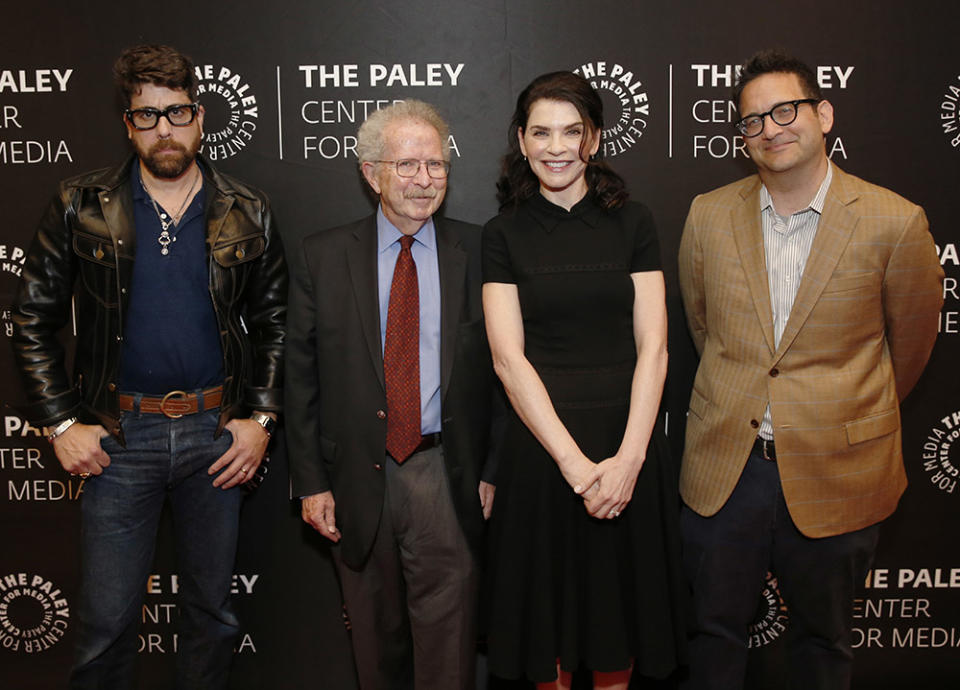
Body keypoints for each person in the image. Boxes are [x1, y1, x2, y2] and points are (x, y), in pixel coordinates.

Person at [10, 44, 287, 689]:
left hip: (216, 436)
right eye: (147, 116)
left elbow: (278, 325)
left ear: (200, 117)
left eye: (178, 112)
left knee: (212, 617)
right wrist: (59, 425)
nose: (165, 129)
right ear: (127, 124)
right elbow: (32, 319)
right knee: (106, 626)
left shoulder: (249, 208)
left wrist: (260, 421)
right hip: (118, 437)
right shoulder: (81, 201)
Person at [677, 49, 944, 690]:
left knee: (823, 644)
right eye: (751, 120)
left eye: (786, 110)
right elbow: (705, 328)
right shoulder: (707, 215)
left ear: (823, 115)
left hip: (840, 467)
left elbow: (907, 348)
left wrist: (840, 408)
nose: (770, 128)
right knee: (713, 637)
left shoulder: (894, 221)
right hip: (728, 469)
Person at [482, 71, 686, 690]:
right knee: (550, 635)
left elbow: (655, 345)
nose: (556, 146)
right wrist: (575, 466)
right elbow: (508, 361)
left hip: (627, 445)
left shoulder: (635, 222)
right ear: (521, 140)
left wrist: (628, 459)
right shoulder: (503, 233)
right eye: (541, 132)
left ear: (594, 139)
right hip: (543, 454)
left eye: (572, 131)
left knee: (616, 623)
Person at [285, 99, 495, 690]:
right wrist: (311, 480)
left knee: (450, 650)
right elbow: (300, 377)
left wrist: (494, 467)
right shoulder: (321, 255)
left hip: (447, 475)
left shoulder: (480, 250)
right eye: (407, 165)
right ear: (370, 171)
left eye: (436, 165)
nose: (424, 180)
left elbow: (508, 369)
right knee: (375, 651)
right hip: (354, 475)